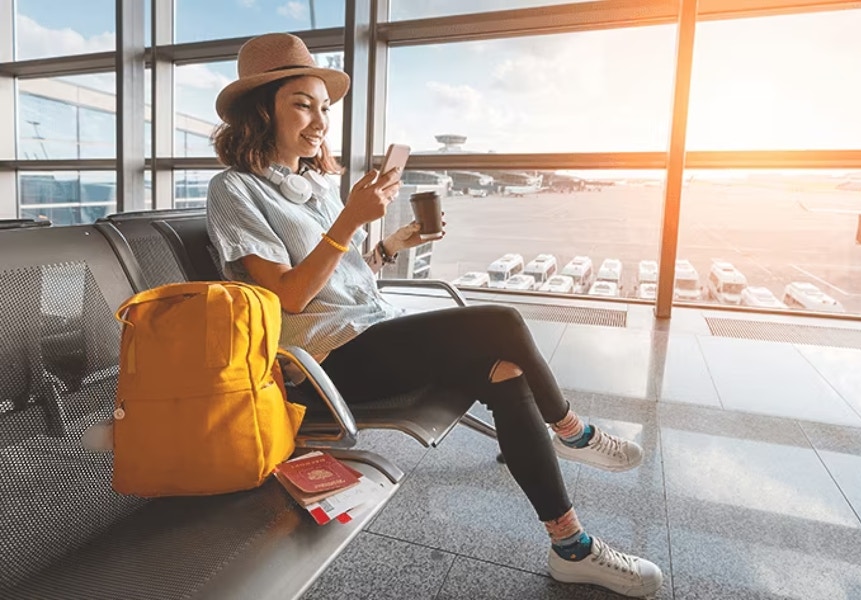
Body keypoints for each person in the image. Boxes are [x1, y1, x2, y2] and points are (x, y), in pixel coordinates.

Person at [206, 32, 663, 598]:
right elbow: (288, 298)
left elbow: (345, 280)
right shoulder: (233, 190)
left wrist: (388, 245)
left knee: (505, 367)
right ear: (261, 112)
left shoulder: (316, 187)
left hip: (366, 331)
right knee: (501, 323)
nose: (320, 120)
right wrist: (348, 223)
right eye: (302, 104)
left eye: (324, 107)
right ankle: (571, 429)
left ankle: (570, 545)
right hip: (323, 365)